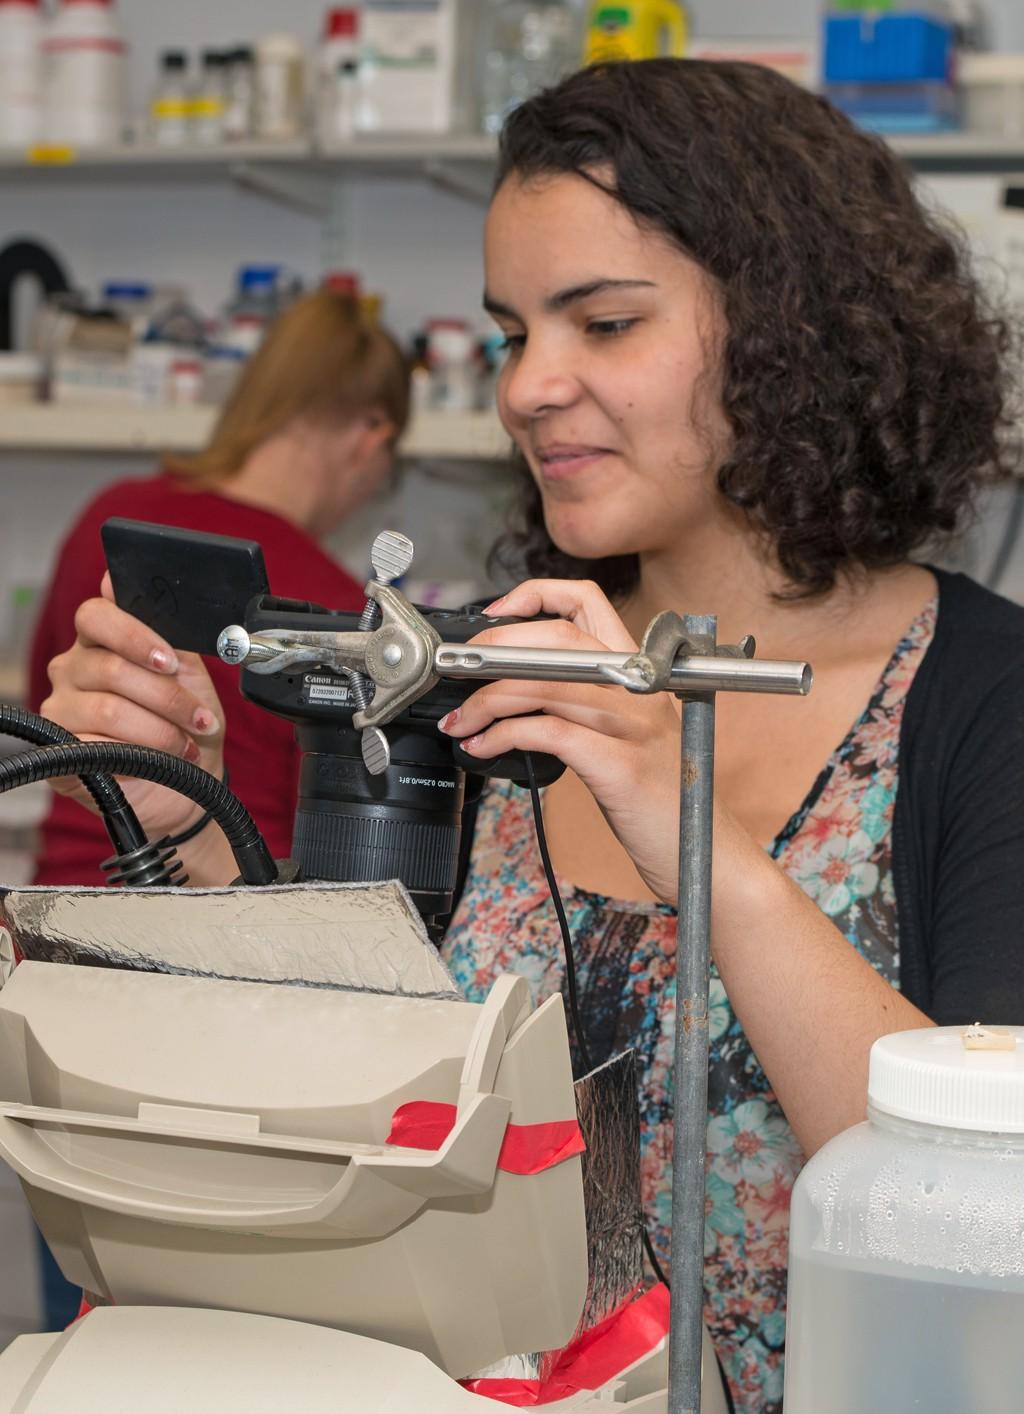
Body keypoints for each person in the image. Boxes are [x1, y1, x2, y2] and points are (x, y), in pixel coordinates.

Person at [36, 60, 1024, 1412]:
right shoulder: (470, 673)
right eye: (511, 332)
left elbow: (979, 1200)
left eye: (603, 323)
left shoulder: (984, 703)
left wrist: (691, 827)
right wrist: (191, 851)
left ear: (795, 333)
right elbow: (347, 1121)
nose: (530, 385)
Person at [29, 289, 410, 884]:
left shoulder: (114, 521)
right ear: (372, 434)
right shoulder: (343, 613)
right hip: (240, 922)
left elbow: (50, 711)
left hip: (65, 907)